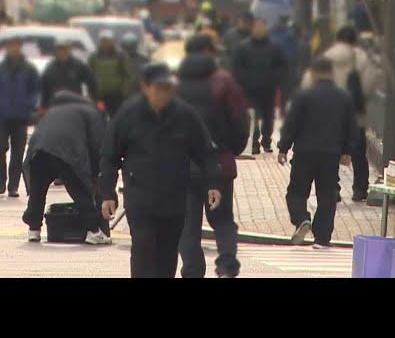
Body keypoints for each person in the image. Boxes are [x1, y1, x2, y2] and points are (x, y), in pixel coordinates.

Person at [99, 62, 223, 278]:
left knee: (167, 258)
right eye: (159, 89)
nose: (164, 94)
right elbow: (109, 156)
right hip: (140, 200)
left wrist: (213, 183)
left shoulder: (185, 115)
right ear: (145, 87)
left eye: (168, 89)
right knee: (143, 252)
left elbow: (205, 152)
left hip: (173, 201)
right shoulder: (128, 115)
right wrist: (107, 194)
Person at [177, 35, 250, 278]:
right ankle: (227, 265)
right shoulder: (223, 83)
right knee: (223, 219)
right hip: (218, 162)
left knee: (188, 225)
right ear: (209, 52)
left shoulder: (174, 86)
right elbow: (240, 121)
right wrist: (232, 150)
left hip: (182, 165)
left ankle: (192, 270)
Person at [277, 57, 357, 249]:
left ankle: (302, 219)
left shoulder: (303, 96)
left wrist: (283, 147)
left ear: (313, 74)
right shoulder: (344, 98)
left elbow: (292, 124)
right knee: (327, 195)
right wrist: (347, 151)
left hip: (304, 152)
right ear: (331, 73)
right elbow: (350, 127)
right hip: (330, 154)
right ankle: (322, 238)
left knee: (296, 192)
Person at [22, 91, 111, 244]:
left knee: (38, 191)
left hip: (38, 151)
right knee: (80, 190)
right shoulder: (91, 112)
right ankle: (94, 231)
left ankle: (33, 230)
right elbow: (98, 144)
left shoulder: (55, 110)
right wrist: (96, 173)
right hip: (66, 151)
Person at [301, 25, 379, 202]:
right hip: (354, 114)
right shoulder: (360, 57)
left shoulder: (326, 56)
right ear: (354, 40)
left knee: (332, 151)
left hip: (328, 115)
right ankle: (360, 188)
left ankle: (332, 188)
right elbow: (369, 82)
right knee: (359, 151)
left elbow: (309, 81)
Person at [233, 17, 287, 154]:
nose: (258, 30)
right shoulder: (243, 47)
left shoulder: (274, 47)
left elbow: (282, 66)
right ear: (252, 29)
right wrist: (243, 81)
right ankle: (254, 142)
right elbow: (237, 67)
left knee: (268, 117)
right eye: (256, 27)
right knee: (253, 117)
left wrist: (276, 79)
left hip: (269, 88)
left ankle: (267, 141)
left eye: (261, 27)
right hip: (249, 90)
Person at [0, 37, 39, 197]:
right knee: (1, 148)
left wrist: (30, 107)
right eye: (10, 45)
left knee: (18, 151)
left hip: (21, 116)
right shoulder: (2, 68)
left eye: (16, 45)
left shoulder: (28, 68)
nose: (13, 48)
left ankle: (13, 186)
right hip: (2, 115)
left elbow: (35, 90)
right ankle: (1, 182)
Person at [40, 38, 98, 109]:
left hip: (74, 105)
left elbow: (92, 82)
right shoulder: (50, 67)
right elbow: (44, 88)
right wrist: (43, 106)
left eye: (64, 49)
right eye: (59, 49)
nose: (62, 51)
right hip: (55, 106)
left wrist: (93, 100)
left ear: (69, 49)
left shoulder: (79, 65)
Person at [89, 29, 134, 117]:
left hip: (116, 95)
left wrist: (124, 91)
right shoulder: (94, 56)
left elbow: (128, 74)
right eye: (103, 41)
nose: (106, 43)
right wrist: (92, 92)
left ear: (113, 41)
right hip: (100, 94)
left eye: (108, 41)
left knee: (116, 116)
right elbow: (90, 74)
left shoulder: (120, 55)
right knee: (98, 116)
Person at [269, 15, 299, 118]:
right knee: (284, 89)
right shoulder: (290, 34)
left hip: (274, 65)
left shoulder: (270, 33)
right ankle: (281, 110)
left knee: (274, 88)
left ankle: (275, 110)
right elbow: (294, 51)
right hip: (285, 65)